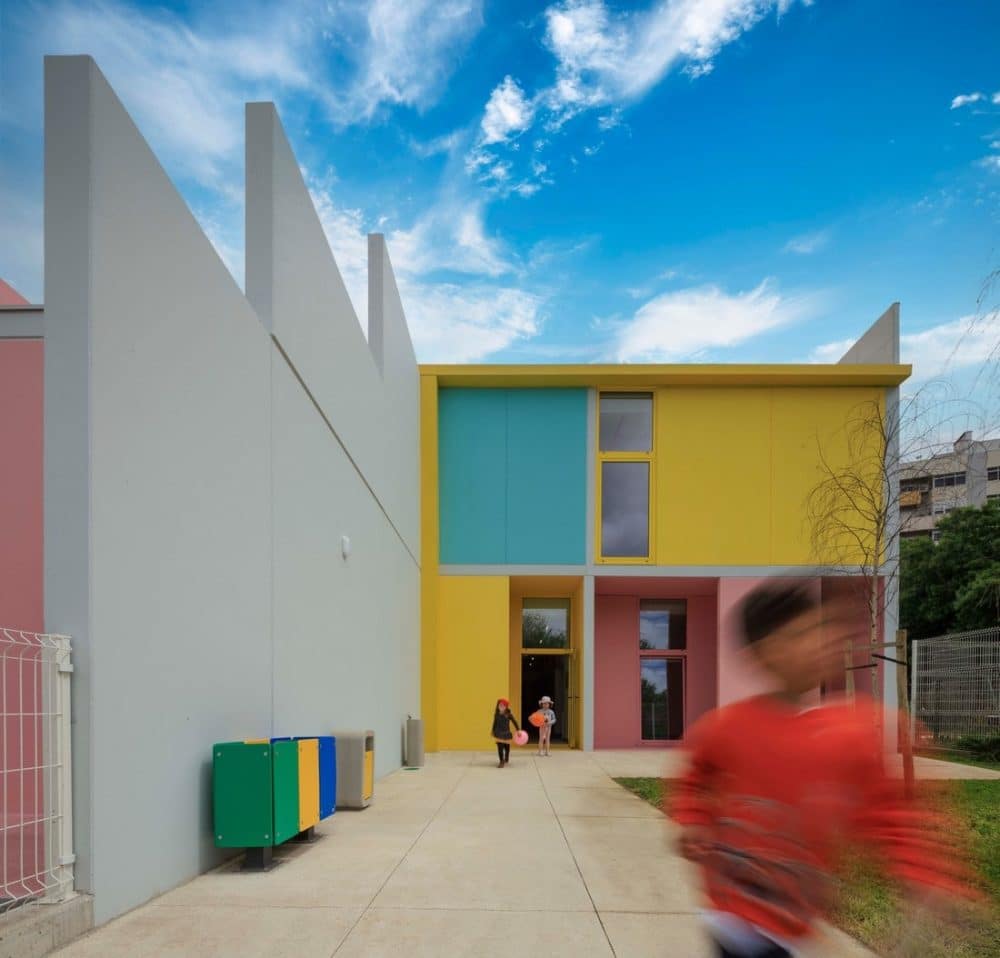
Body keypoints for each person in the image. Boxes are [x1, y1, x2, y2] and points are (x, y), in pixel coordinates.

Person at [671, 581, 973, 958]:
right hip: (730, 912)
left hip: (794, 922)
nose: (821, 643)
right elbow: (695, 776)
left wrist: (921, 872)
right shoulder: (725, 727)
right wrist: (692, 819)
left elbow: (890, 812)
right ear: (762, 653)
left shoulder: (851, 733)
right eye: (801, 634)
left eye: (822, 630)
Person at [491, 698, 519, 767]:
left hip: (506, 733)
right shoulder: (496, 714)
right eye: (499, 705)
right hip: (498, 733)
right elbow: (494, 723)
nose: (501, 707)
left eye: (503, 706)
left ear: (506, 707)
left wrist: (518, 730)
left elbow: (514, 722)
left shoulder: (508, 714)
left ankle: (506, 756)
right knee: (500, 747)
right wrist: (493, 730)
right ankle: (501, 761)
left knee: (507, 747)